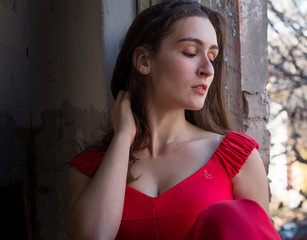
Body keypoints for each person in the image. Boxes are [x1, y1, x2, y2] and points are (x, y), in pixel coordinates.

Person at [65, 1, 281, 239]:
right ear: (144, 61)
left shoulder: (236, 158)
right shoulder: (91, 168)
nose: (208, 69)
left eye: (212, 56)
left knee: (227, 216)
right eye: (190, 52)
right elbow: (92, 236)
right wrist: (123, 137)